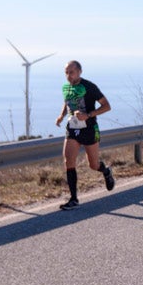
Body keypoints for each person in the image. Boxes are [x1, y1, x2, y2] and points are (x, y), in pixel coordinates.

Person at [54, 60, 115, 210]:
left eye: (72, 72)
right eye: (66, 72)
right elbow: (67, 101)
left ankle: (106, 171)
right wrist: (61, 116)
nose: (69, 75)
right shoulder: (66, 87)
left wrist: (88, 115)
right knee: (68, 161)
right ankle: (74, 199)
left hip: (89, 129)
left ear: (80, 72)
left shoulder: (89, 87)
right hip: (72, 129)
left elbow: (107, 106)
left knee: (93, 165)